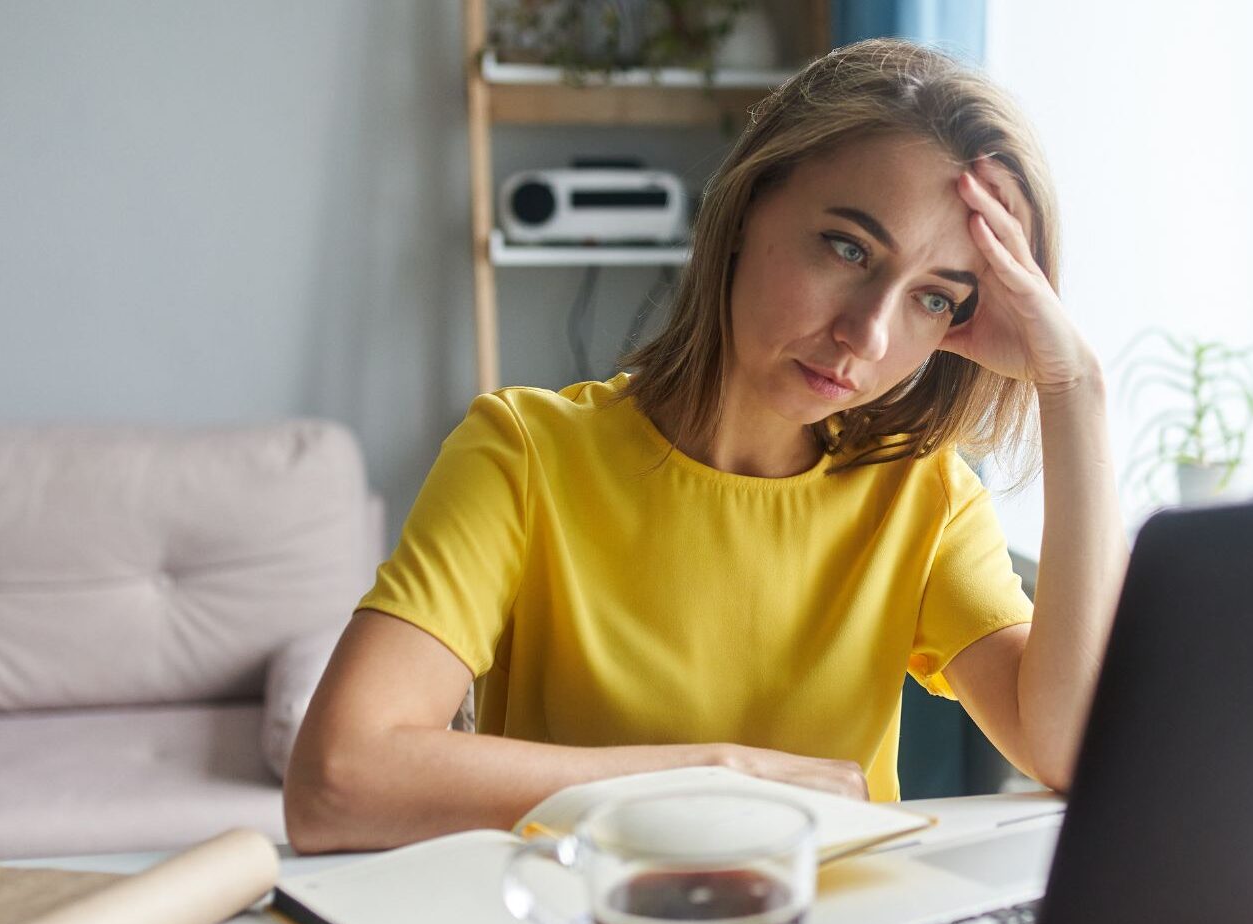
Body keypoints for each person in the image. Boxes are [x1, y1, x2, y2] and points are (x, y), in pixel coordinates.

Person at [283, 38, 1126, 856]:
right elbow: (336, 780)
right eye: (849, 248)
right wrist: (721, 777)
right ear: (746, 207)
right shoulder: (525, 455)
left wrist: (1074, 389)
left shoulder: (924, 496)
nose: (866, 334)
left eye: (934, 299)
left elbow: (1067, 752)